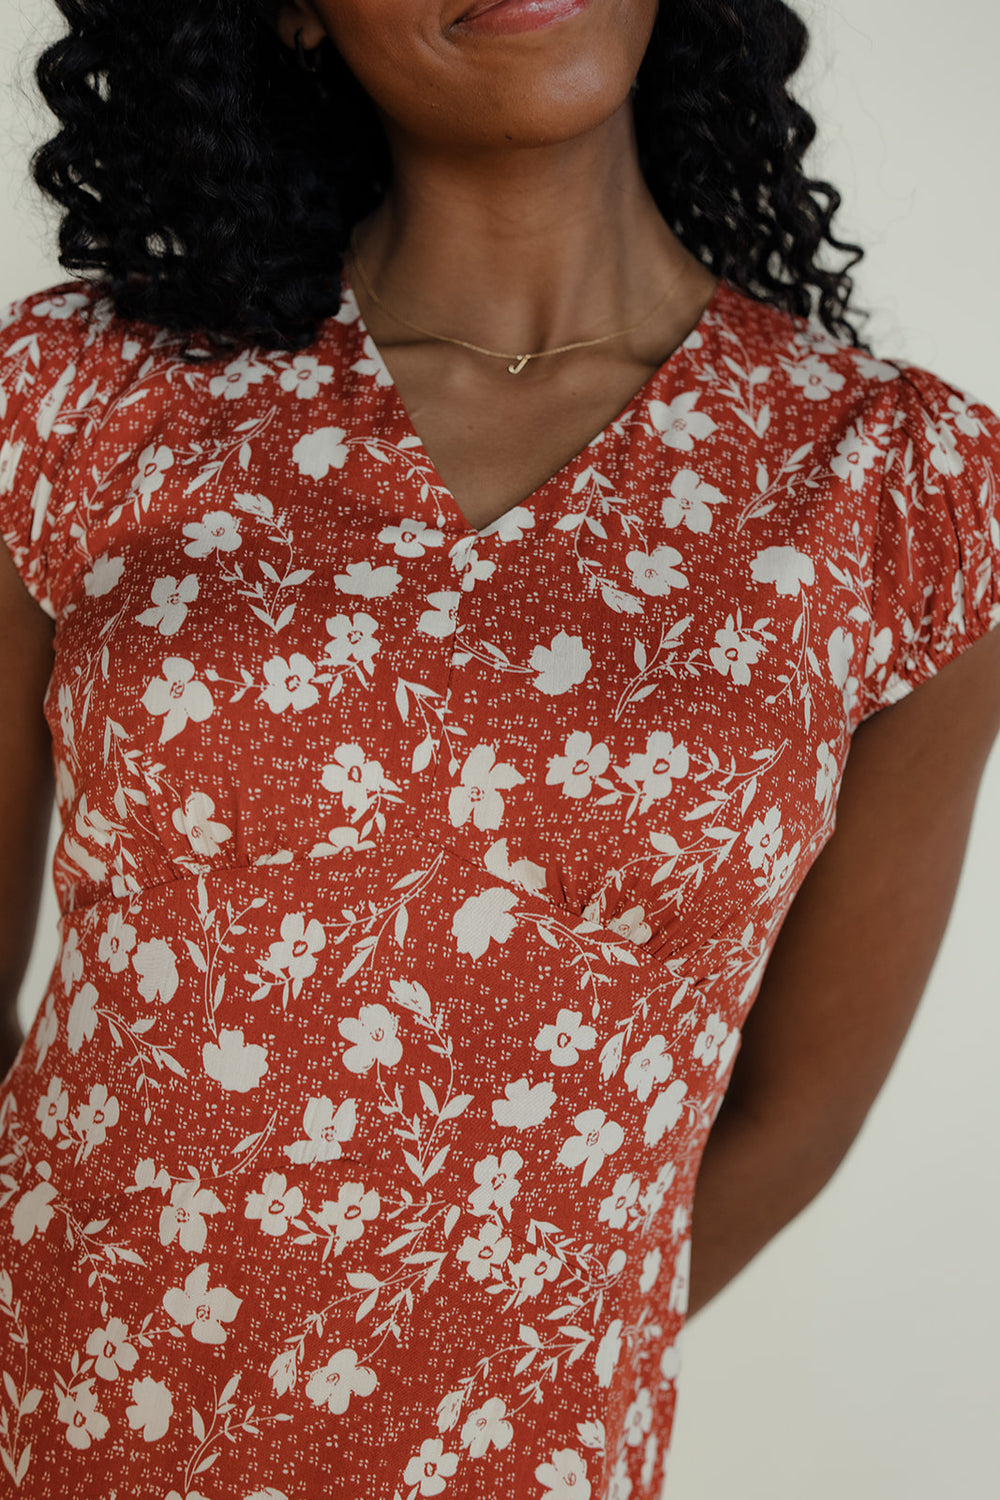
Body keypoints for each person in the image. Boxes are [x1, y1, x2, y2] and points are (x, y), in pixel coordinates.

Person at [0, 0, 997, 1493]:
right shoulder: (82, 397)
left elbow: (798, 1112)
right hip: (51, 1419)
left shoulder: (898, 501)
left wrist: (487, 1381)